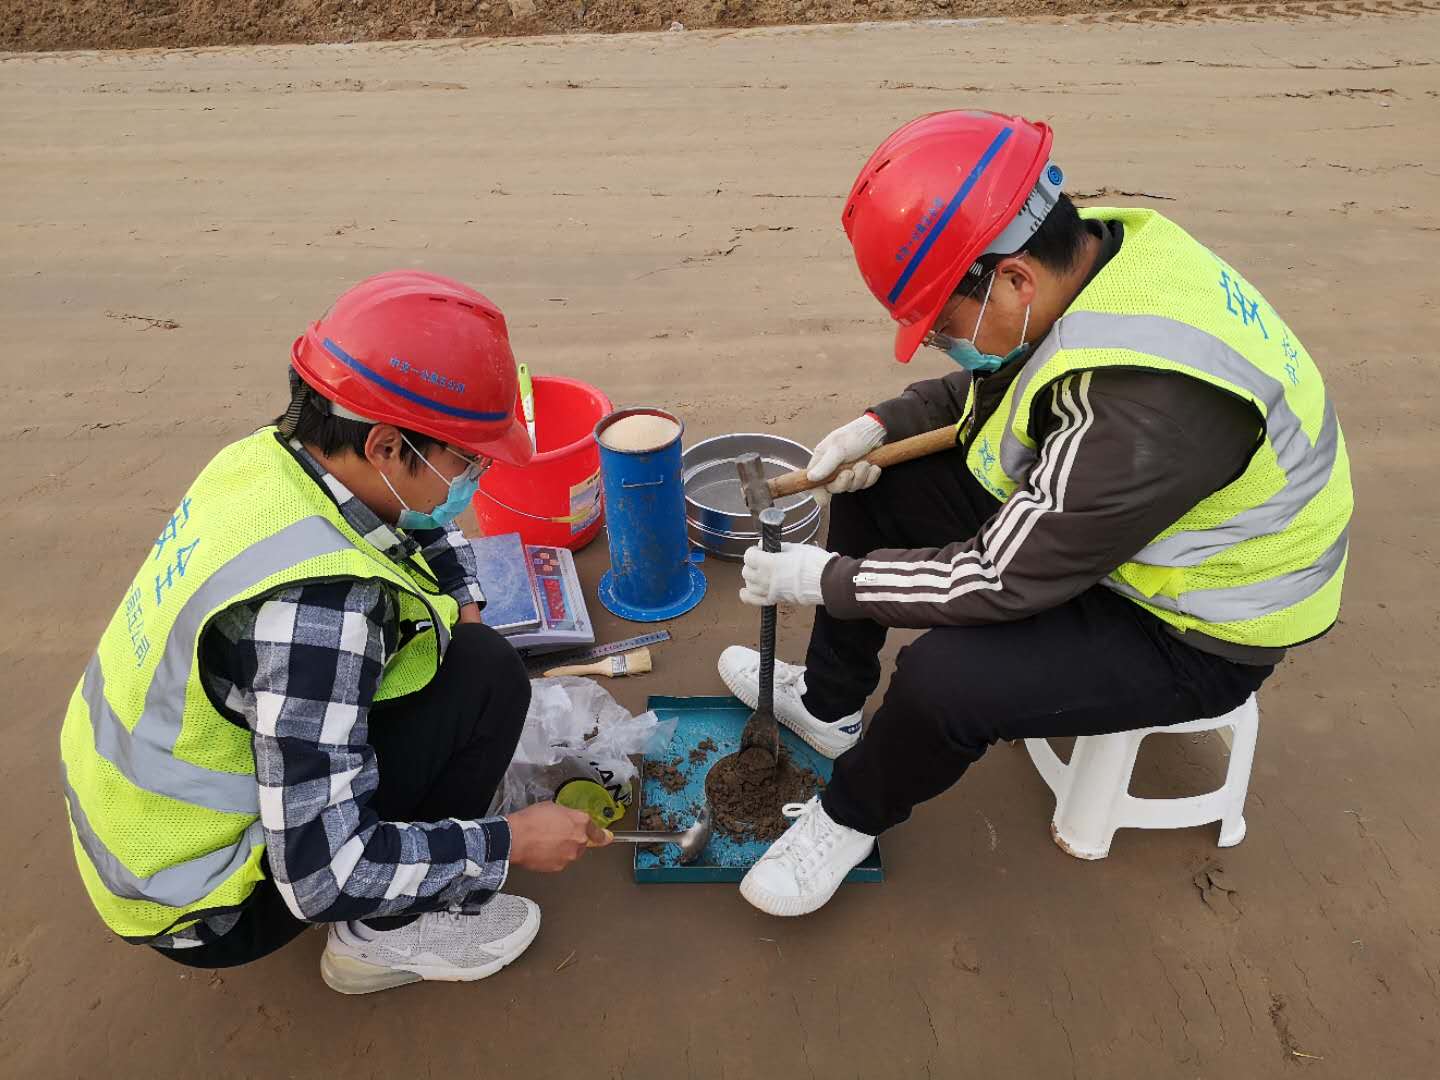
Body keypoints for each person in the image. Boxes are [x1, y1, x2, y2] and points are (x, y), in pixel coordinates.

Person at [717, 111, 1353, 917]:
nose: (948, 345)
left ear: (1013, 276)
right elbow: (1007, 382)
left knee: (946, 683)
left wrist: (824, 579)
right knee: (880, 490)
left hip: (1196, 623)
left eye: (943, 325)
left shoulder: (1146, 411)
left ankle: (848, 820)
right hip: (1118, 527)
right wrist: (883, 426)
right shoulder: (1100, 266)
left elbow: (995, 578)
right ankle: (831, 706)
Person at [59, 270, 610, 992]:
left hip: (129, 826)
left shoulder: (272, 459)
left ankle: (413, 842)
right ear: (385, 445)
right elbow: (324, 876)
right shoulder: (321, 613)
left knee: (473, 656)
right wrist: (505, 845)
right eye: (465, 460)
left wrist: (463, 601)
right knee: (487, 675)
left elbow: (417, 519)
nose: (473, 479)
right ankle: (376, 943)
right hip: (201, 900)